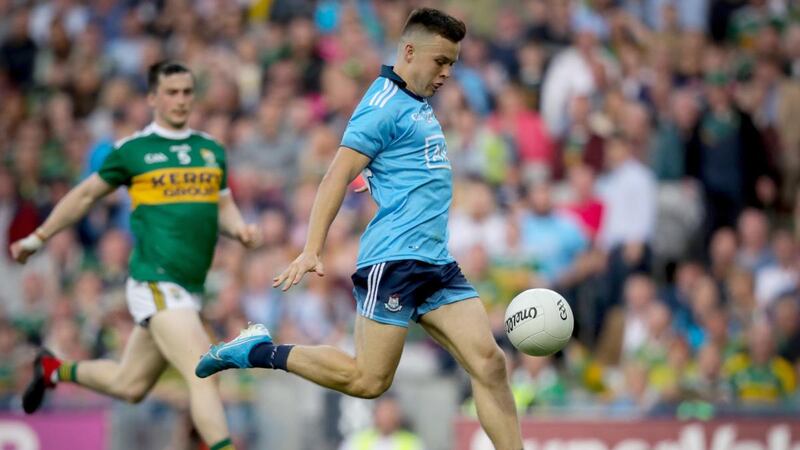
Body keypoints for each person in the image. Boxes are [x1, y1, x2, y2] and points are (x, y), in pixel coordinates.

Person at [195, 8, 524, 450]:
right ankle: (258, 351)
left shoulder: (416, 102)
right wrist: (313, 248)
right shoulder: (380, 106)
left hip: (436, 261)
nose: (447, 72)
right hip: (393, 262)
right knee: (368, 381)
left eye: (452, 63)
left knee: (490, 364)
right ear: (409, 51)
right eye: (441, 61)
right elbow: (335, 175)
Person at [10, 61, 258, 450]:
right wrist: (39, 236)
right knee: (204, 370)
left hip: (189, 288)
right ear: (152, 98)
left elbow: (222, 206)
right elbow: (85, 196)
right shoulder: (134, 150)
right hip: (155, 280)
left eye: (187, 92)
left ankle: (53, 368)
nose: (180, 100)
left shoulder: (210, 151)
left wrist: (241, 228)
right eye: (171, 92)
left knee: (131, 385)